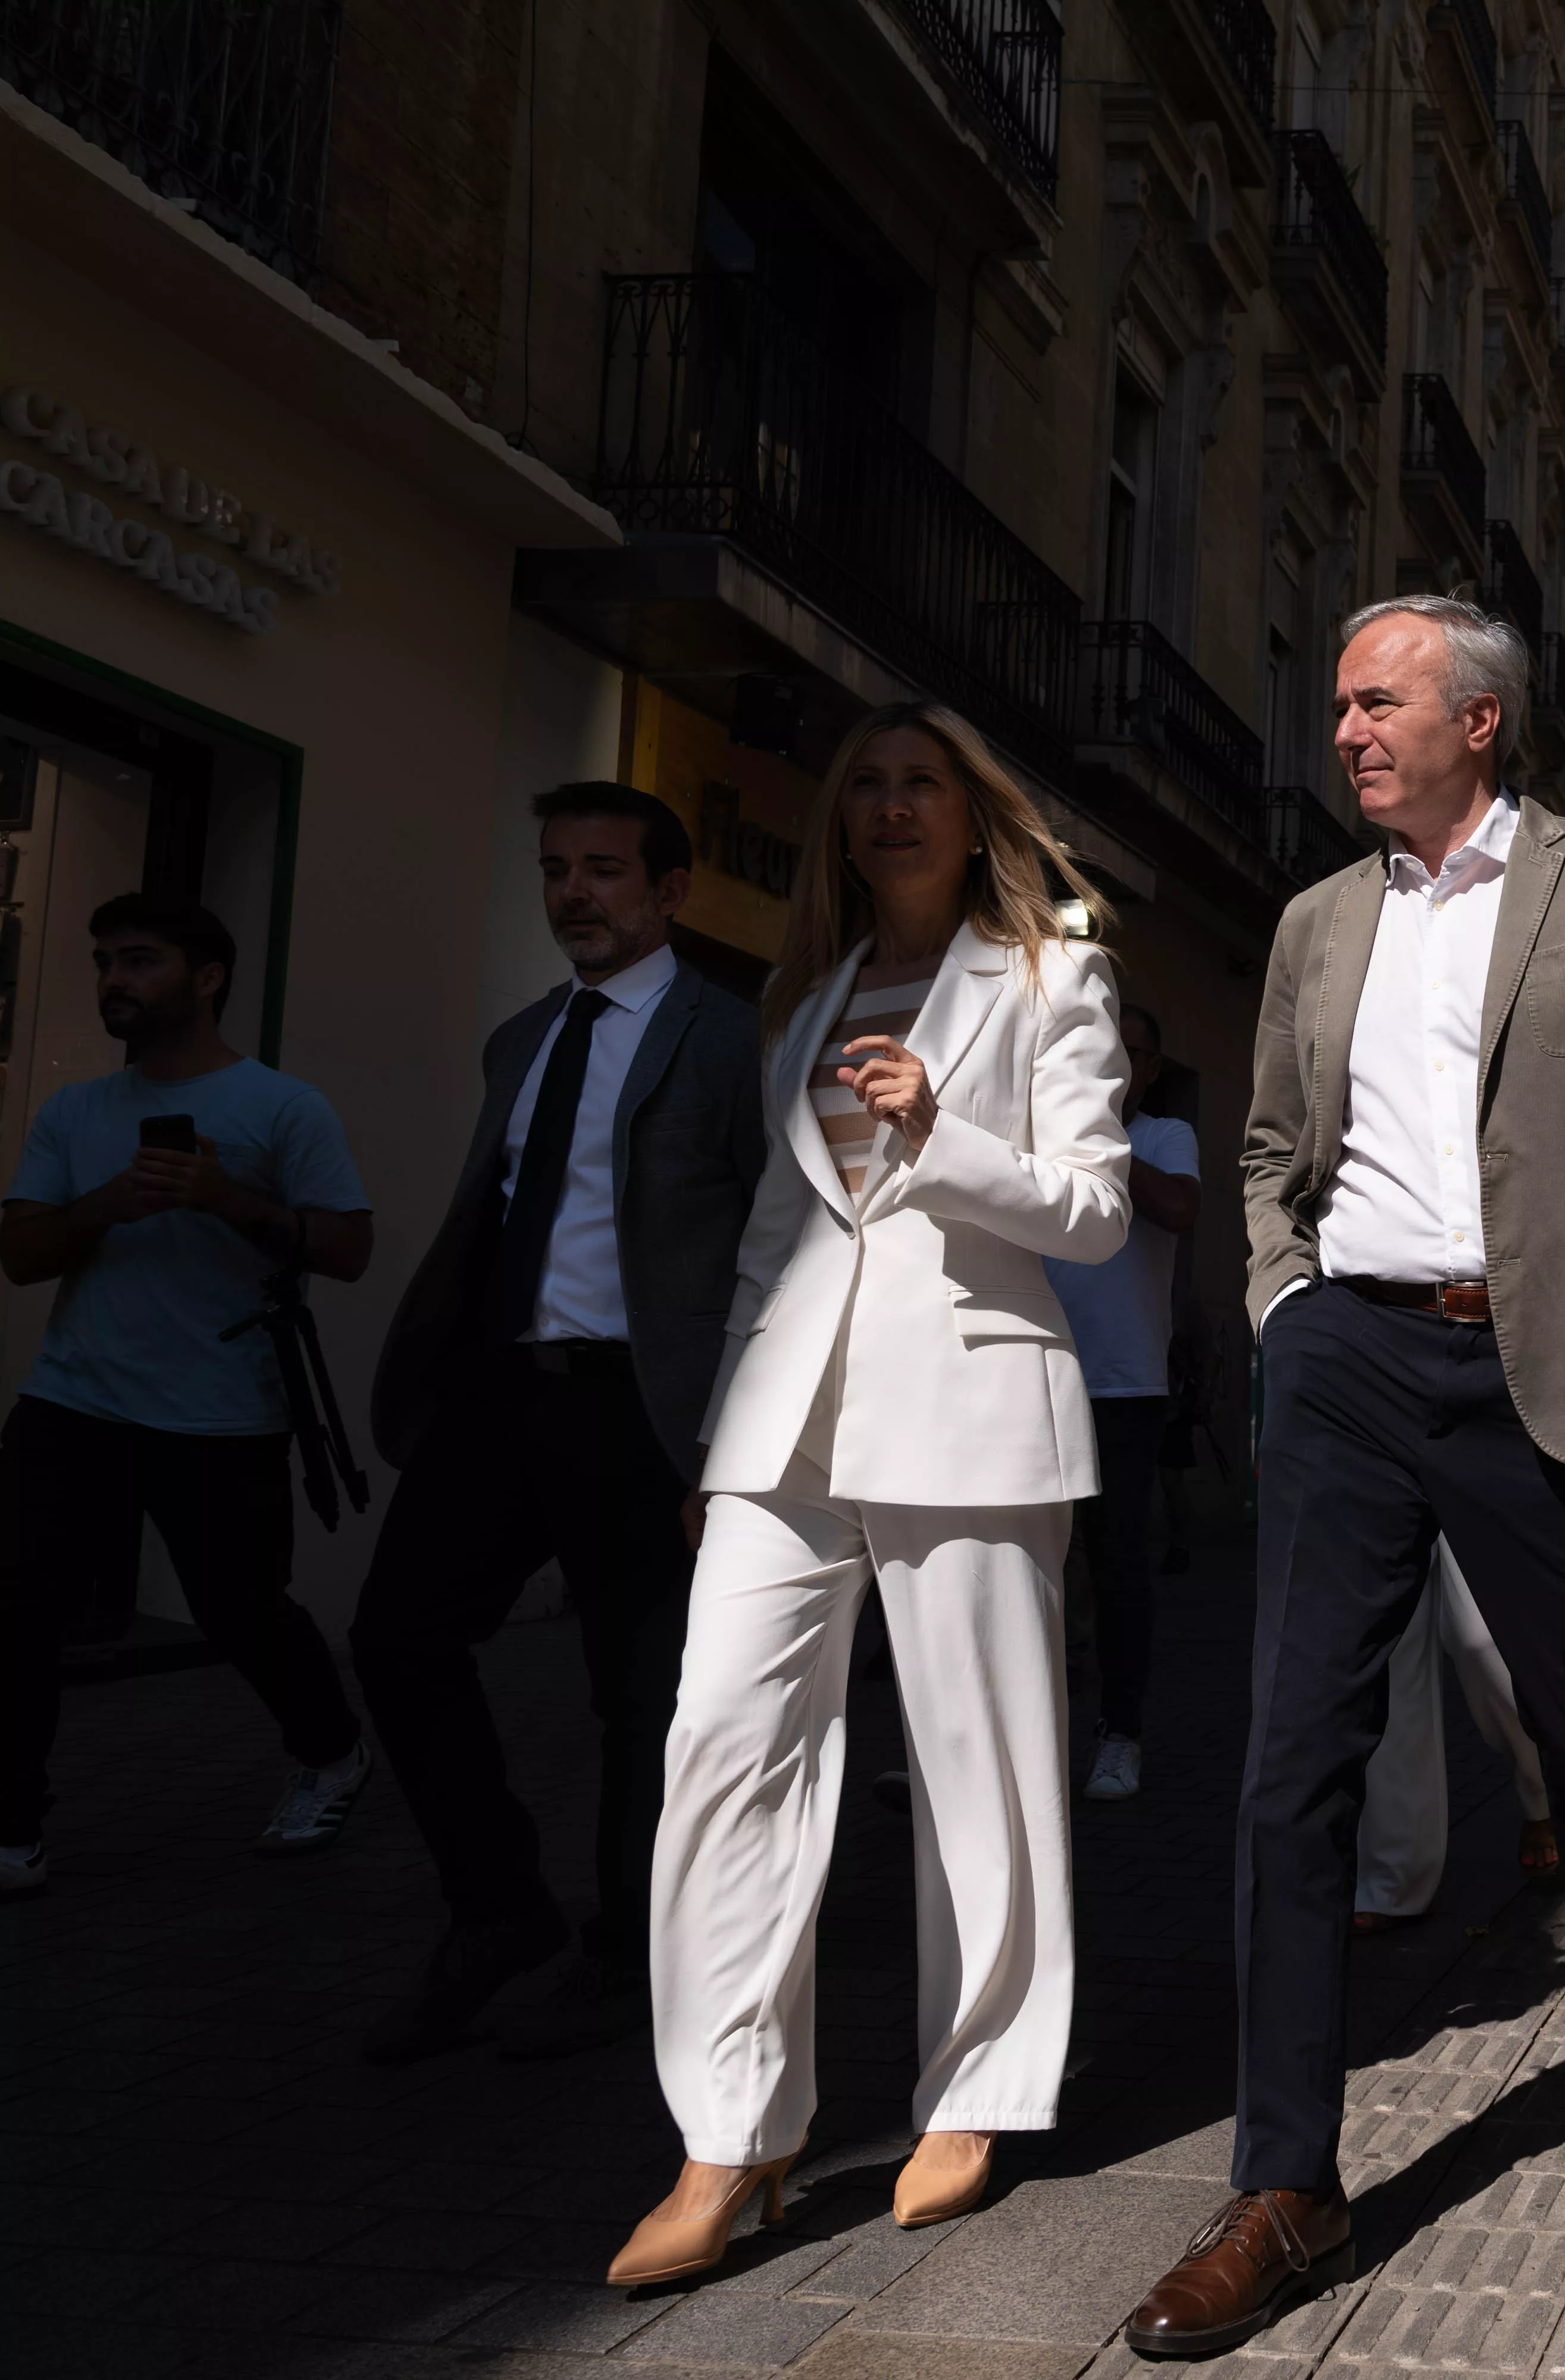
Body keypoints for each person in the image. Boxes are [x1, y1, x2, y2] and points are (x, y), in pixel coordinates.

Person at [1120, 594, 1565, 2360]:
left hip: (1549, 1361)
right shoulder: (1317, 923)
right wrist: (1281, 1305)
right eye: (1336, 703)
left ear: (1479, 719)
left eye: (1376, 699)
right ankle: (1282, 2180)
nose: (1343, 729)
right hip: (1351, 1361)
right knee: (1290, 1760)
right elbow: (1262, 1150)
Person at [605, 701, 1130, 2287]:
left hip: (972, 1399)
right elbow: (777, 1242)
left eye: (925, 785)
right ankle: (732, 2135)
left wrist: (939, 1130)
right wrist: (722, 1444)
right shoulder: (810, 994)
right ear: (842, 825)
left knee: (978, 1757)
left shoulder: (1060, 977)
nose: (894, 809)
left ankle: (974, 2088)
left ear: (976, 818)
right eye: (869, 789)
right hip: (788, 1423)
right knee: (719, 1745)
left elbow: (1095, 1216)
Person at [349, 784, 768, 2062]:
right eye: (555, 870)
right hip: (503, 1390)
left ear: (668, 890)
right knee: (397, 1634)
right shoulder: (524, 1037)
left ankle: (634, 1951)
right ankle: (500, 1905)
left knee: (639, 1696)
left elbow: (773, 1241)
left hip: (644, 1411)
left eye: (602, 869)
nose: (574, 893)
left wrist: (740, 1441)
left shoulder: (731, 1038)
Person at [0, 894, 374, 1892]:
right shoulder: (75, 1111)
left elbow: (349, 1248)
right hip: (72, 1401)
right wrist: (107, 1206)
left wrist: (228, 1200)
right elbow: (22, 1254)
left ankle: (332, 1752)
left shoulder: (280, 1108)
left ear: (206, 978)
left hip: (220, 1412)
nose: (114, 980)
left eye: (139, 961)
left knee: (241, 1613)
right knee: (15, 1607)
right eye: (104, 962)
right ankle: (11, 1826)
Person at [1046, 1000, 1200, 1803]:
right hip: (1033, 1379)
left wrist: (1099, 1135)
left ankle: (1121, 1734)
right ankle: (1016, 1739)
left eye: (1134, 1054)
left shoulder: (1163, 1138)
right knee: (1025, 1561)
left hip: (1123, 1388)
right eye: (1105, 1048)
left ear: (1150, 1069)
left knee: (1117, 1566)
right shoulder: (1042, 1129)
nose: (1118, 1064)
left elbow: (1180, 1209)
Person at [1351, 1539, 1555, 1932]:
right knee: (1387, 1649)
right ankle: (1394, 1875)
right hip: (1374, 1476)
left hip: (1485, 1475)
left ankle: (1544, 1797)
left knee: (1485, 1639)